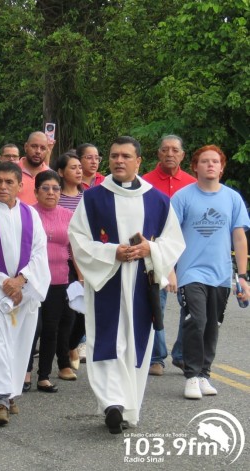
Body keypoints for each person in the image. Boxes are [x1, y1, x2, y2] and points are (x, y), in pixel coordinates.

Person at [68, 136, 185, 434]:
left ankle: (127, 406)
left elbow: (174, 241)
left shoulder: (157, 199)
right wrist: (111, 253)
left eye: (125, 156)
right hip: (107, 278)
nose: (118, 161)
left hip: (141, 284)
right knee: (107, 341)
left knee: (134, 344)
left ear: (138, 161)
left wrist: (151, 251)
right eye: (114, 155)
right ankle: (111, 404)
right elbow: (78, 238)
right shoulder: (93, 197)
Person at [0, 162, 50, 426]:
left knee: (17, 346)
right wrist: (5, 283)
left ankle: (11, 392)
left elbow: (39, 252)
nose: (3, 187)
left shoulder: (31, 215)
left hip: (22, 293)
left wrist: (21, 281)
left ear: (20, 185)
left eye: (9, 182)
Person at [171, 145, 250, 400]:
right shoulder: (183, 197)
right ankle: (192, 376)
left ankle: (205, 374)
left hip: (220, 273)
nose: (210, 165)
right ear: (195, 166)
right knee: (196, 320)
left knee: (212, 325)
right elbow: (169, 236)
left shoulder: (232, 198)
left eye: (215, 161)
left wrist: (243, 276)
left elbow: (239, 238)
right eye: (205, 161)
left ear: (222, 166)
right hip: (191, 271)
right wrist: (170, 270)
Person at [142, 135, 196, 376]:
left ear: (183, 155)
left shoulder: (193, 183)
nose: (170, 154)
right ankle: (156, 356)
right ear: (158, 153)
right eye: (165, 150)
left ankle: (182, 353)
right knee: (157, 304)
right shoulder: (145, 182)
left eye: (175, 150)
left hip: (187, 253)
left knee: (192, 305)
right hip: (156, 251)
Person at [25, 170, 79, 392]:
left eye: (55, 188)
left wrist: (82, 277)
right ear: (36, 192)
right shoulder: (27, 213)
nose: (51, 192)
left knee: (51, 328)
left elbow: (74, 249)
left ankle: (44, 376)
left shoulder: (68, 215)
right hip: (31, 280)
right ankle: (25, 373)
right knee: (31, 328)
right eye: (45, 188)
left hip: (59, 279)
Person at [18, 131, 52, 205]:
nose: (38, 151)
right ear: (26, 147)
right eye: (34, 146)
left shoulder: (50, 175)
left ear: (47, 151)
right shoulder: (12, 171)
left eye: (43, 148)